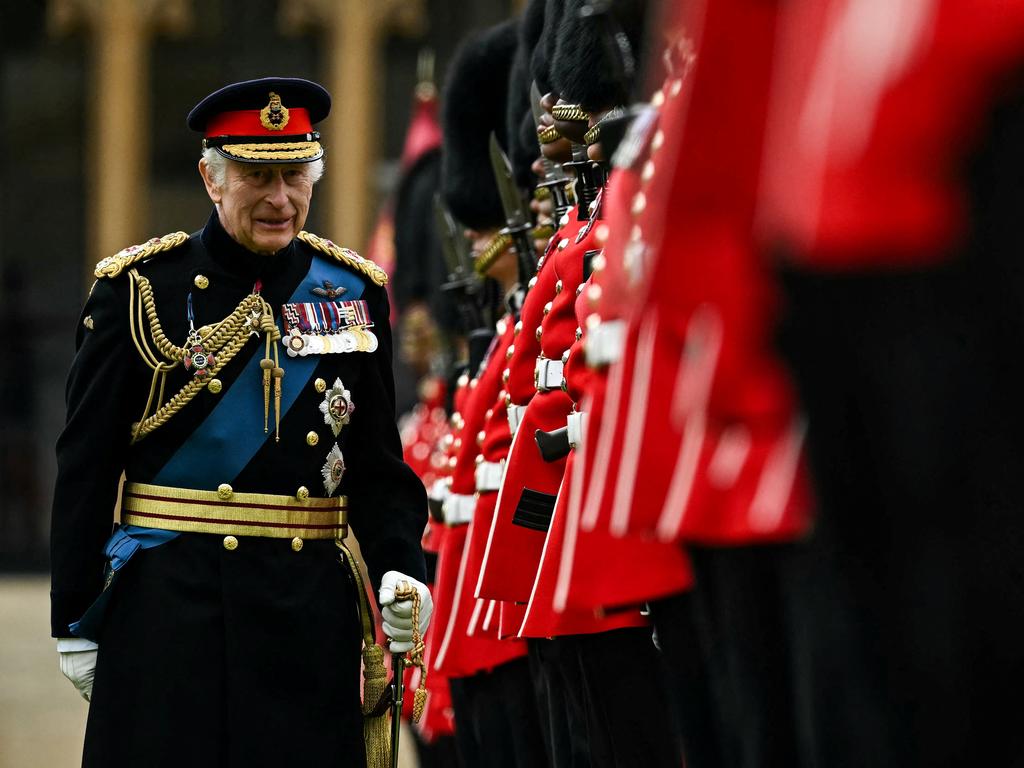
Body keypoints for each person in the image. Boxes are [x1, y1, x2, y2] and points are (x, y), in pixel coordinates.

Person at [51, 77, 432, 768]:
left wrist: (402, 569)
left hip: (306, 620)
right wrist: (73, 617)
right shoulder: (139, 290)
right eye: (257, 175)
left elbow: (378, 467)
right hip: (169, 616)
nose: (279, 199)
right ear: (211, 178)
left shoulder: (350, 291)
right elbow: (86, 464)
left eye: (294, 175)